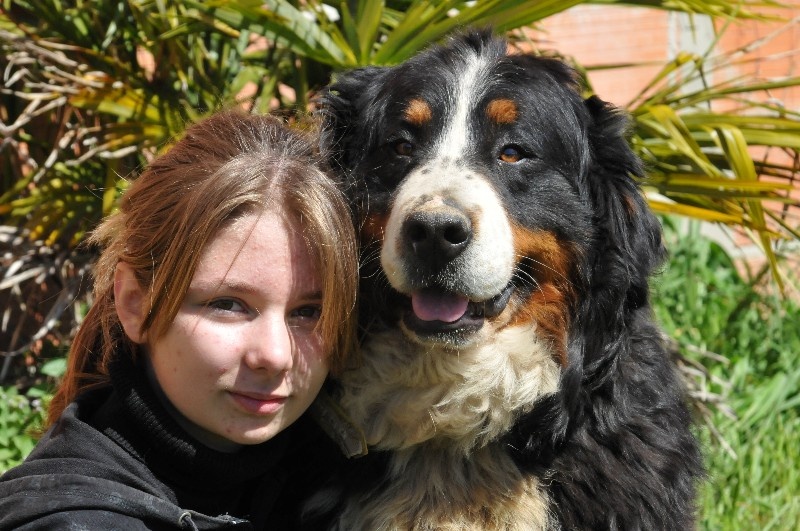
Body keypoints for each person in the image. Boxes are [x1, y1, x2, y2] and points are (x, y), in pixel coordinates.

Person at [0, 110, 359, 530]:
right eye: (228, 304)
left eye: (308, 312)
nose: (276, 356)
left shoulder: (327, 488)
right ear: (134, 303)